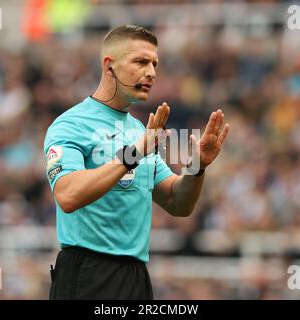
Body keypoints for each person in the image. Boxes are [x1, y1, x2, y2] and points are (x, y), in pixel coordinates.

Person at [44, 25, 230, 300]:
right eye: (141, 62)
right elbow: (68, 195)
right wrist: (135, 153)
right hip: (88, 274)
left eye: (155, 64)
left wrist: (196, 167)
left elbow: (178, 203)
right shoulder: (71, 125)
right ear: (110, 66)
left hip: (136, 276)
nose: (152, 72)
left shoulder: (139, 131)